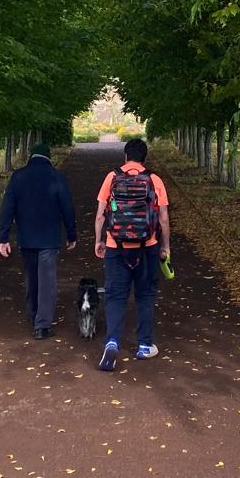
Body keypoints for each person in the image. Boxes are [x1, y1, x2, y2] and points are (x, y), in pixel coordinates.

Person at [94, 138, 170, 371]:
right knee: (145, 294)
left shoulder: (112, 177)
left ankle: (113, 341)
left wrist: (99, 240)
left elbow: (101, 214)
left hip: (116, 246)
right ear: (144, 157)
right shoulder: (154, 180)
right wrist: (165, 246)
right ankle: (145, 345)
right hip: (147, 246)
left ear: (125, 156)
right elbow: (164, 218)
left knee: (115, 295)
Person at [0, 142, 76, 339]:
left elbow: (7, 208)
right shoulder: (56, 177)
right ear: (48, 158)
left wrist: (3, 237)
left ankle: (33, 315)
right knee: (47, 281)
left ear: (31, 157)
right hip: (49, 238)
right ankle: (42, 325)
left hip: (26, 237)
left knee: (31, 278)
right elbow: (67, 208)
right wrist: (71, 234)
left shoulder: (18, 177)